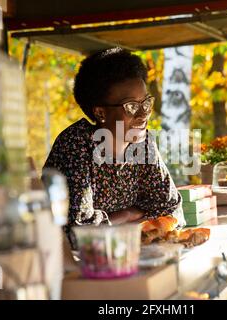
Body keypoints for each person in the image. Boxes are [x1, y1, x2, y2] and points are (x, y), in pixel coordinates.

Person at [43, 47, 185, 248]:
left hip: (123, 252)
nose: (143, 114)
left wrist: (113, 220)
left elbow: (172, 209)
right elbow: (79, 232)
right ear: (101, 113)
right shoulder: (76, 144)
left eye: (146, 103)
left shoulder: (143, 144)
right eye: (131, 106)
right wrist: (130, 213)